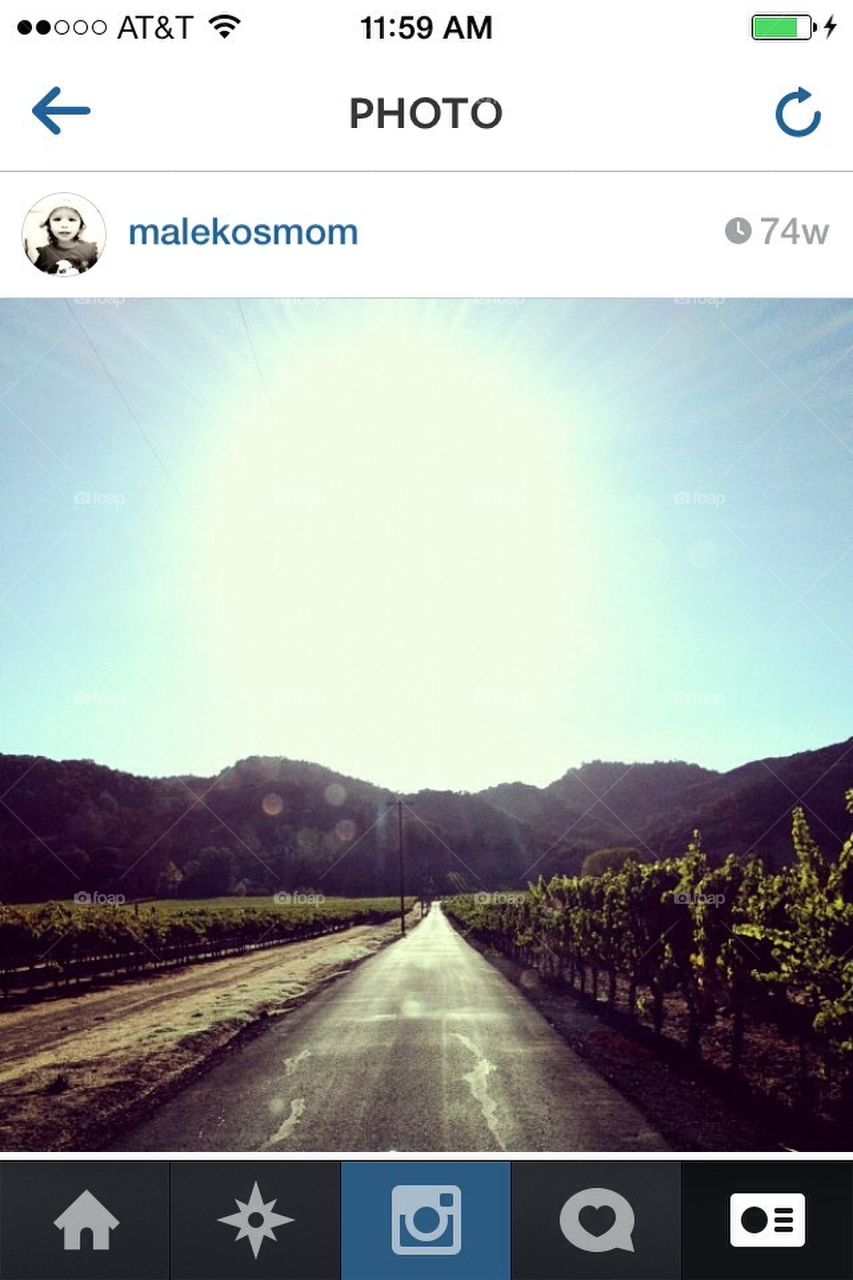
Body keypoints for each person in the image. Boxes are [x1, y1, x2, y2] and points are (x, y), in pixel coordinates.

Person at [32, 206, 99, 275]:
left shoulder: (89, 250)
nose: (64, 225)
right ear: (49, 226)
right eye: (57, 219)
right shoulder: (45, 253)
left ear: (81, 226)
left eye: (71, 219)